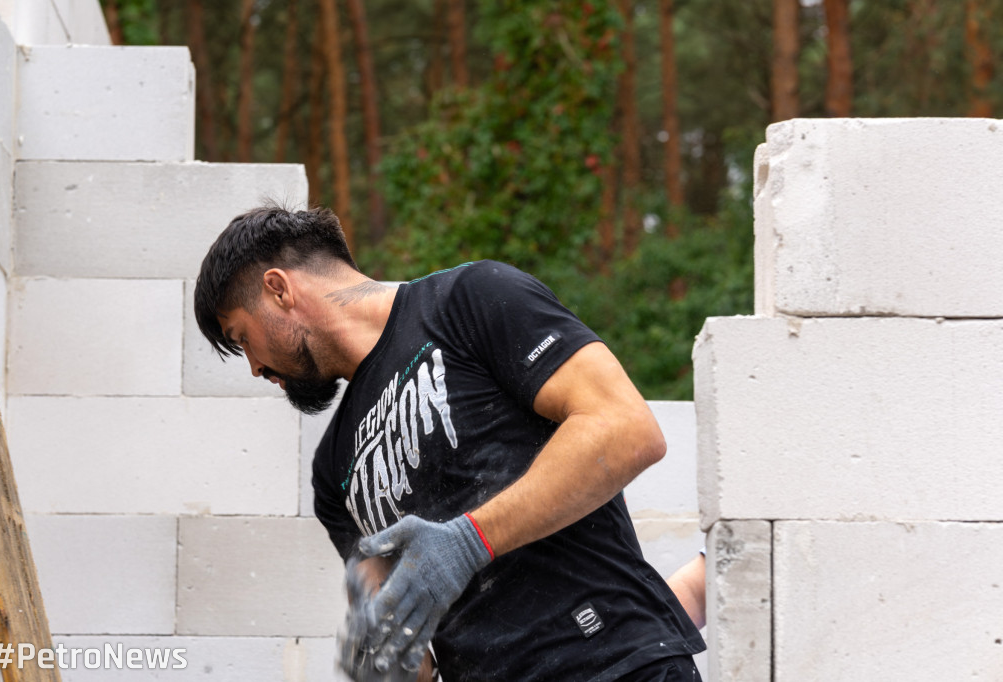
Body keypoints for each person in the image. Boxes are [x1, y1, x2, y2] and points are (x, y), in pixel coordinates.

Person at [194, 206, 706, 682]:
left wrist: (468, 542)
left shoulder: (471, 299)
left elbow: (626, 428)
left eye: (242, 338)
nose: (256, 368)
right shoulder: (333, 473)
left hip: (616, 665)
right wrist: (388, 657)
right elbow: (411, 651)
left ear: (279, 289)